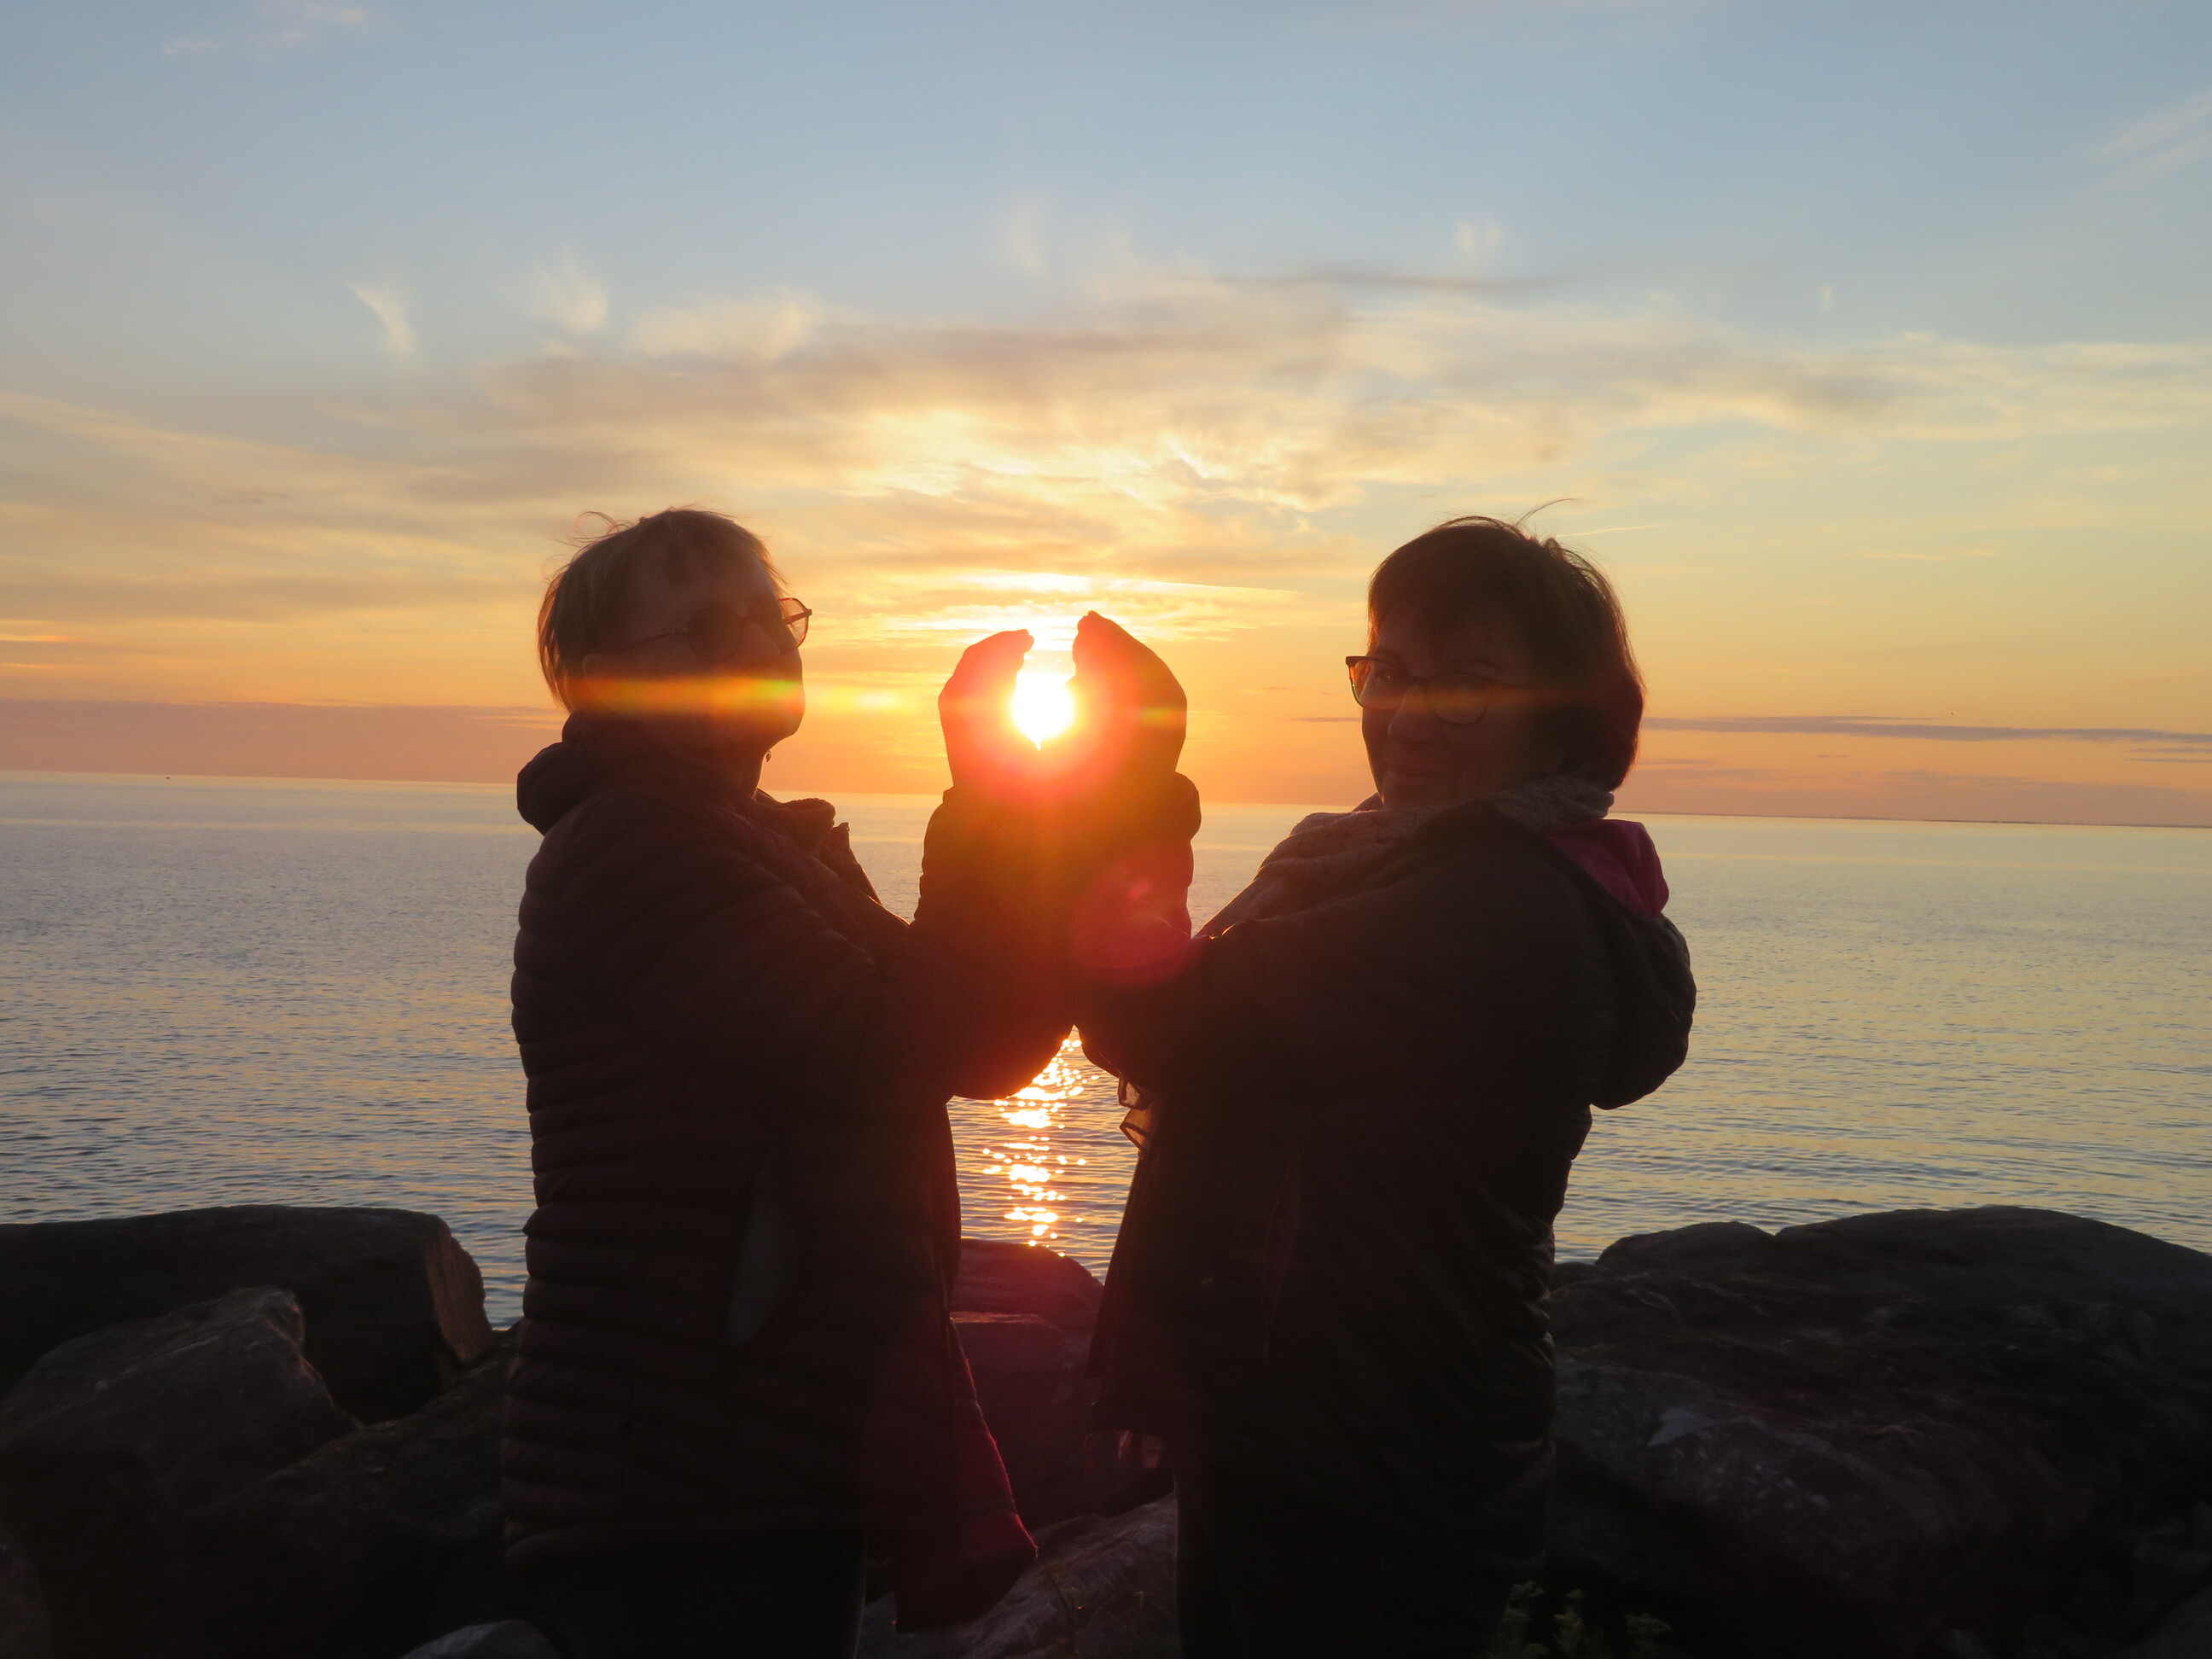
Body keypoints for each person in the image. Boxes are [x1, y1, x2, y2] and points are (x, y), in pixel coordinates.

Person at [501, 509, 1191, 1658]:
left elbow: (981, 1041)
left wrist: (1082, 805)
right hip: (679, 1463)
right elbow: (896, 1044)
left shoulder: (763, 843)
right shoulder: (635, 848)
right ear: (603, 680)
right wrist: (996, 803)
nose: (755, 641)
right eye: (704, 626)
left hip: (767, 1438)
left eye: (768, 615)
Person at [1074, 516, 1697, 1656]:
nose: (1407, 716)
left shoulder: (1482, 906)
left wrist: (1122, 794)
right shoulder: (1398, 864)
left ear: (1562, 716)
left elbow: (1156, 1018)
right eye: (1390, 673)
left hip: (1367, 1463)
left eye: (1465, 685)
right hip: (1338, 1427)